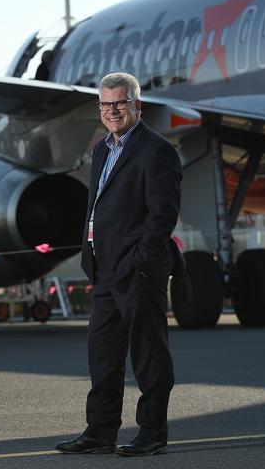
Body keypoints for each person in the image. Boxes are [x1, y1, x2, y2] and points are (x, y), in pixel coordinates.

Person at [56, 73, 182, 457]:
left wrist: (140, 259)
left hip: (137, 268)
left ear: (137, 105)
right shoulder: (101, 150)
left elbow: (163, 215)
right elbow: (97, 207)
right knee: (103, 355)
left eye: (119, 103)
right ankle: (100, 431)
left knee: (148, 353)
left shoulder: (156, 150)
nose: (111, 111)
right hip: (105, 268)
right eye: (105, 104)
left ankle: (152, 431)